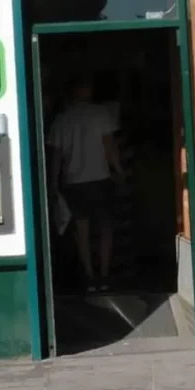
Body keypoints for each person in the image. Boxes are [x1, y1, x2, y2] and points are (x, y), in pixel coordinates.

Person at [48, 75, 126, 293]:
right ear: (84, 91)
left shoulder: (61, 120)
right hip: (100, 178)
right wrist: (119, 171)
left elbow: (57, 157)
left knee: (81, 230)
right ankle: (105, 274)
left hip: (74, 182)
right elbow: (109, 146)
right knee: (105, 228)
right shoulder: (101, 114)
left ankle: (90, 276)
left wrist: (53, 185)